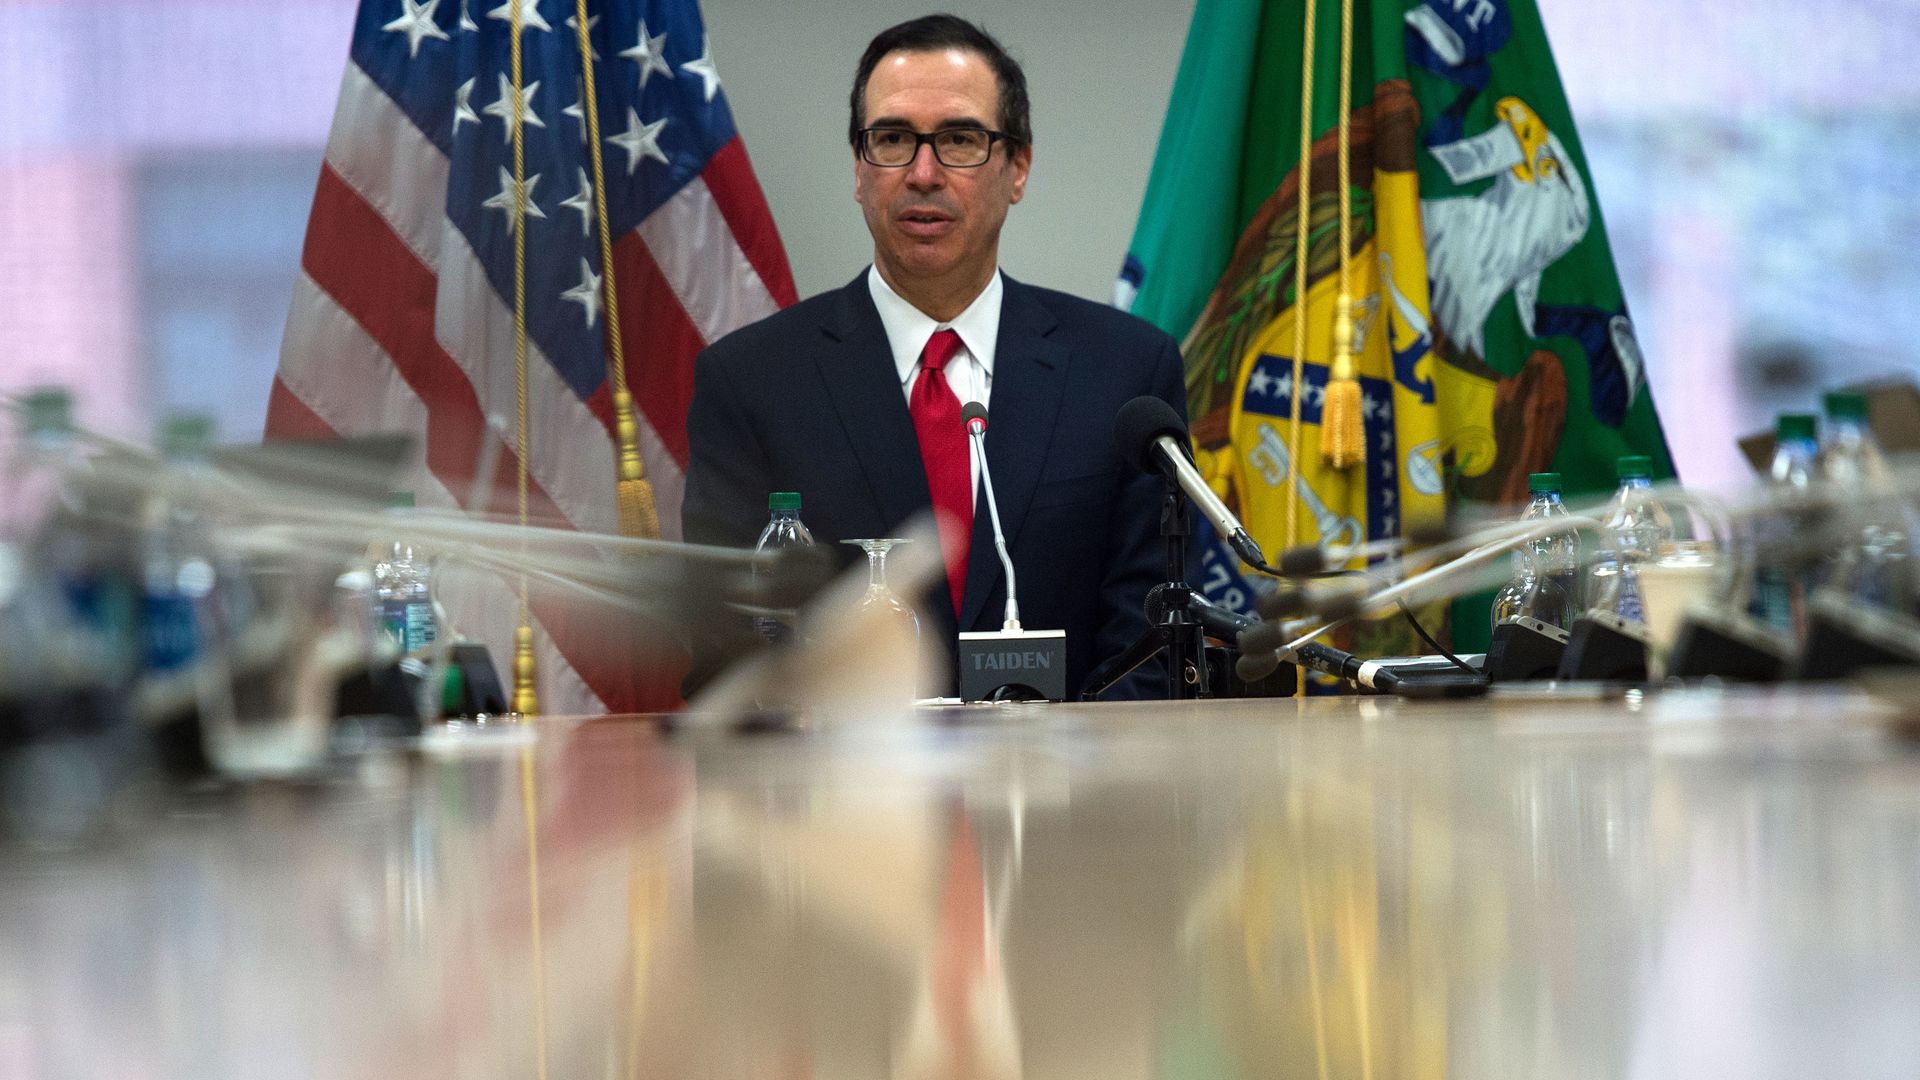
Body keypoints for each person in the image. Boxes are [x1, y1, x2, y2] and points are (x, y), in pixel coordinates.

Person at [681, 14, 1188, 699]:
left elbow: (1150, 651)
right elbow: (728, 659)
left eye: (960, 140)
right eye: (892, 139)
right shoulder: (752, 383)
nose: (924, 173)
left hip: (1074, 766)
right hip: (840, 767)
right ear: (858, 168)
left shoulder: (1126, 374)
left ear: (1018, 167)